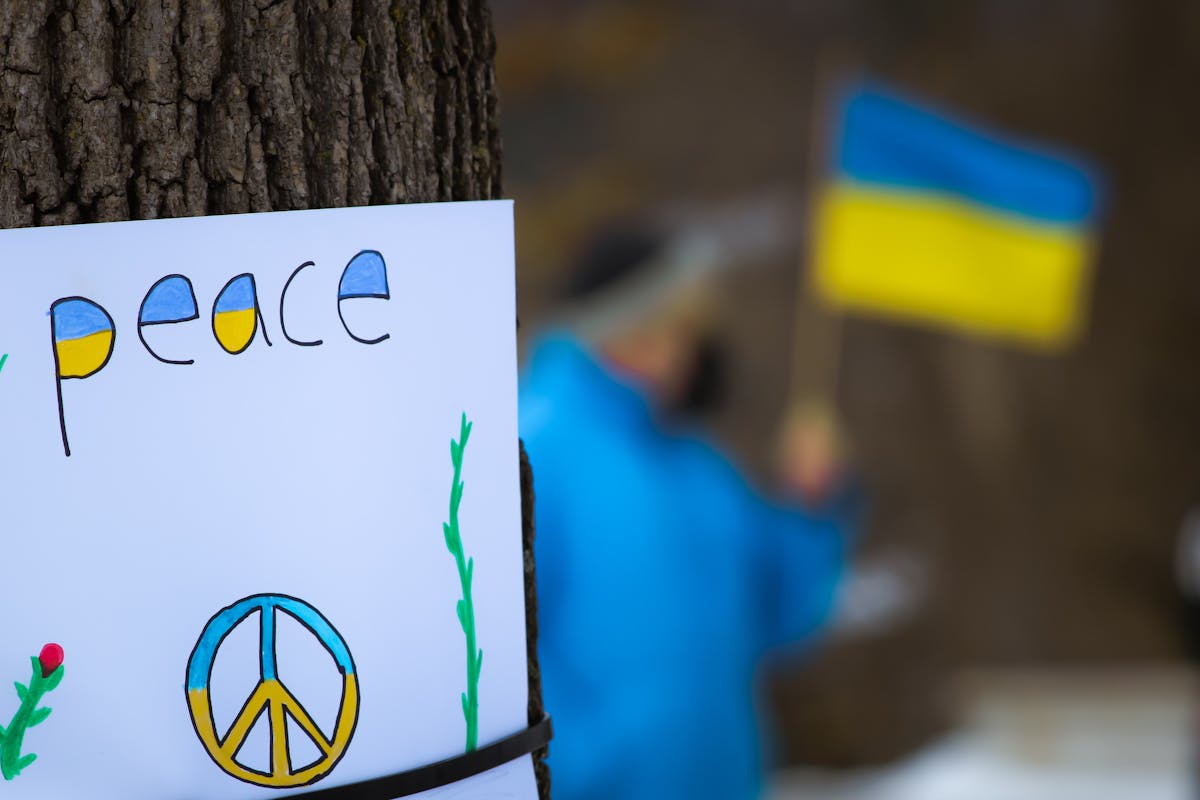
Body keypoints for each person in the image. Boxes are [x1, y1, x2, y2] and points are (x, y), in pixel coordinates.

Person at [520, 223, 859, 800]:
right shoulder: (535, 444)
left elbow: (779, 621)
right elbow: (498, 646)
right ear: (630, 323)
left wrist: (808, 509)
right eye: (683, 322)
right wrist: (581, 765)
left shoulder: (700, 466)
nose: (696, 345)